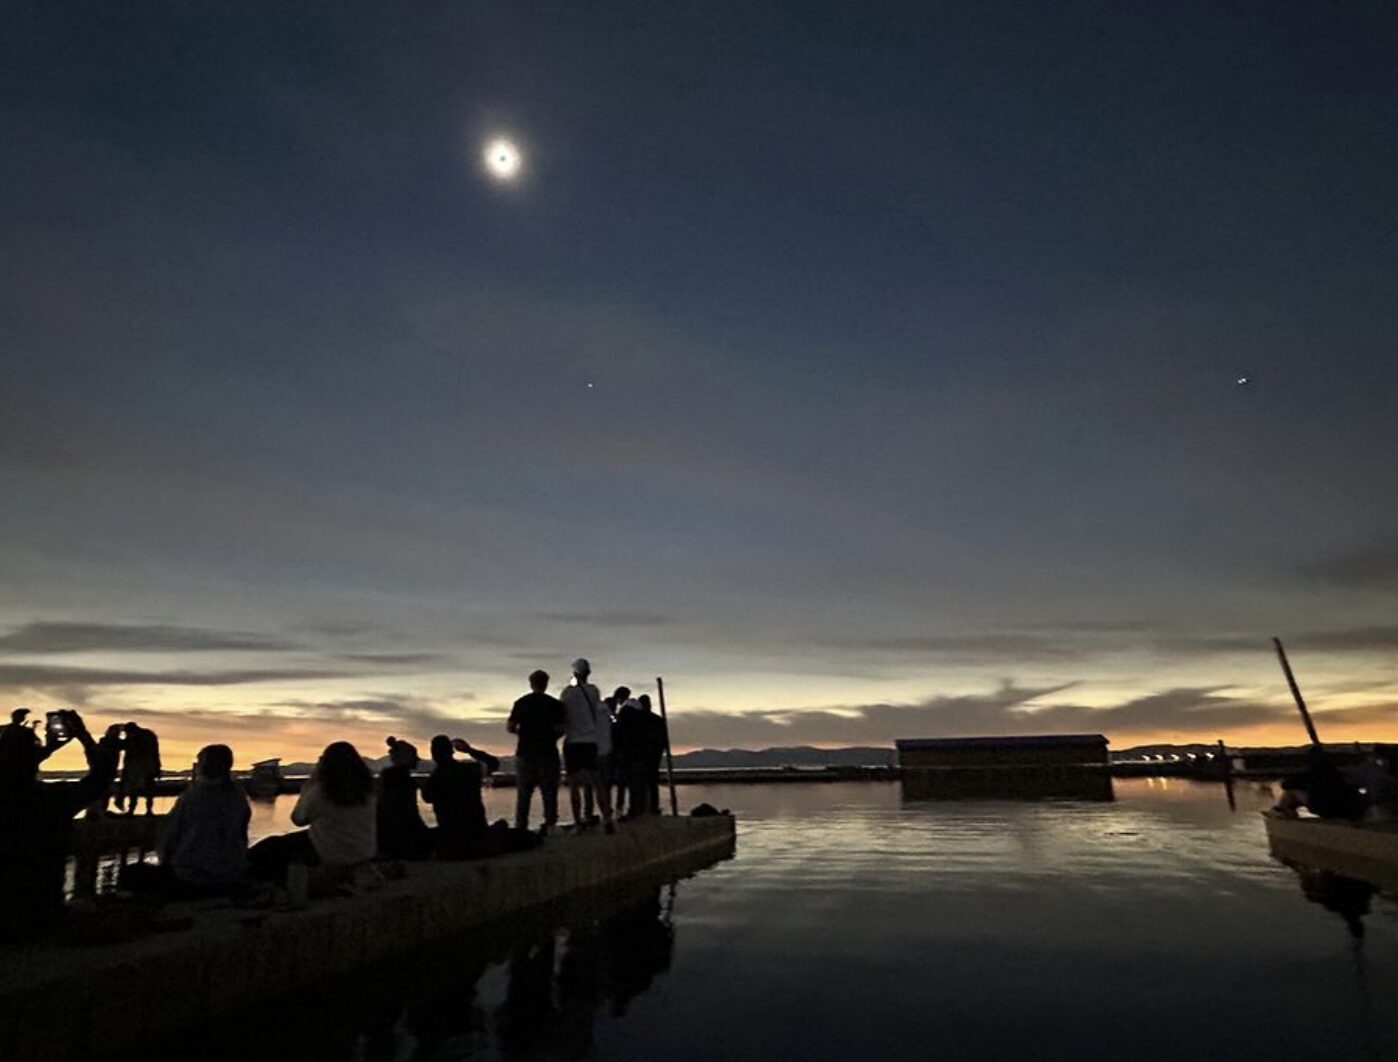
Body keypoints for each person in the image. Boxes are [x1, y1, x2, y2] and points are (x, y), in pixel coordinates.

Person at [0, 709, 119, 942]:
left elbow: (11, 766)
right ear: (32, 761)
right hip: (36, 916)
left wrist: (43, 751)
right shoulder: (50, 799)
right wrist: (82, 735)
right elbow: (102, 777)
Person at [123, 744, 250, 898]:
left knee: (131, 873)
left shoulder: (192, 797)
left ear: (204, 766)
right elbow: (242, 835)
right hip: (230, 873)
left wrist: (166, 859)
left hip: (191, 876)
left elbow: (169, 839)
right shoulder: (238, 796)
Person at [249, 741, 376, 893]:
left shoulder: (322, 791)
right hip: (364, 850)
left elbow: (298, 819)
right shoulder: (368, 791)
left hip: (330, 851)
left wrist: (309, 786)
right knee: (285, 843)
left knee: (270, 847)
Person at [422, 734, 500, 858]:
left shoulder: (434, 780)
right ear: (452, 751)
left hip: (451, 840)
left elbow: (426, 797)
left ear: (433, 754)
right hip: (477, 835)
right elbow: (493, 763)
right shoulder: (470, 770)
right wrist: (469, 750)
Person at [508, 671, 566, 834]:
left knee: (524, 795)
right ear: (546, 683)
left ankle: (521, 828)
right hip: (548, 753)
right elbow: (562, 728)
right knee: (549, 793)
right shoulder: (555, 705)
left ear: (531, 683)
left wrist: (523, 734)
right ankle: (550, 825)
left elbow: (510, 727)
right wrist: (552, 737)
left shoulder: (521, 703)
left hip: (525, 752)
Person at [560, 658, 614, 834]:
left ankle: (578, 823)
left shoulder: (567, 693)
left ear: (574, 673)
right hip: (591, 742)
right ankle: (607, 819)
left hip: (573, 742)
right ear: (588, 673)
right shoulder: (594, 691)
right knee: (597, 783)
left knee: (574, 785)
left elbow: (563, 713)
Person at [377, 737, 432, 859]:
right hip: (403, 837)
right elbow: (409, 815)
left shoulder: (388, 777)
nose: (417, 762)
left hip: (389, 836)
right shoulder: (406, 781)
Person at [629, 694, 668, 817]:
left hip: (642, 755)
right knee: (650, 782)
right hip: (651, 755)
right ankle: (652, 807)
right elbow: (663, 740)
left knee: (639, 782)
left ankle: (637, 807)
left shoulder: (636, 720)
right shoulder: (657, 720)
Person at [119, 721, 162, 816]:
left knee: (135, 791)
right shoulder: (149, 734)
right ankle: (147, 811)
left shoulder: (133, 737)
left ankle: (133, 811)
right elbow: (156, 752)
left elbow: (126, 751)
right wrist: (158, 767)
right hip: (147, 766)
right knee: (147, 791)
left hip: (139, 767)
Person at [607, 687, 634, 818]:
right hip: (617, 753)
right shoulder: (618, 717)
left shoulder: (615, 717)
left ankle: (610, 810)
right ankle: (617, 809)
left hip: (611, 753)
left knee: (608, 784)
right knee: (620, 784)